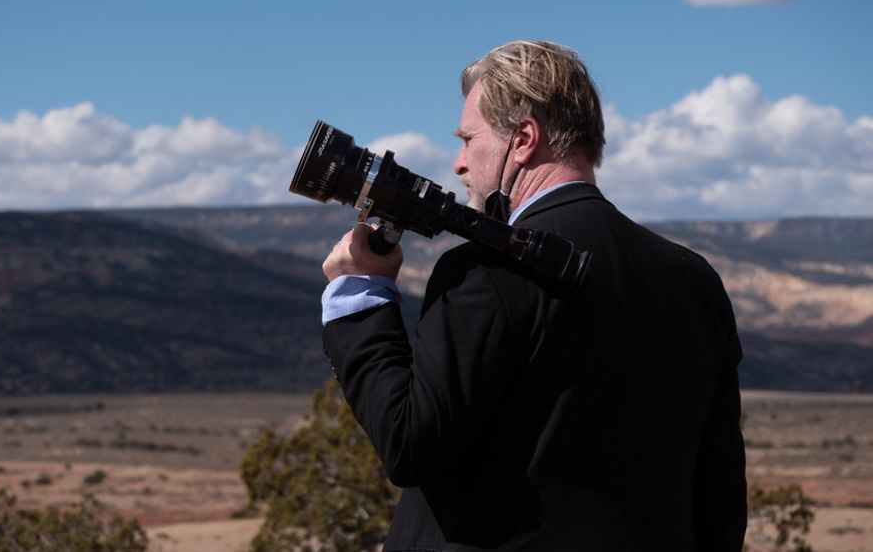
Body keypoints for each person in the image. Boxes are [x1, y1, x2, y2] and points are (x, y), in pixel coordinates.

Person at [320, 40, 746, 551]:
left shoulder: (485, 269)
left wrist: (361, 295)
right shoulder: (694, 279)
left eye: (468, 138)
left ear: (522, 139)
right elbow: (720, 499)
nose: (458, 163)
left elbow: (408, 443)